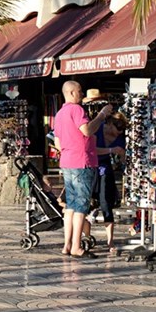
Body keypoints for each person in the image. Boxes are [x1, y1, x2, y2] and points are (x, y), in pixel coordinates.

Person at [54, 80, 112, 258]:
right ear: (71, 93)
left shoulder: (60, 113)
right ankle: (77, 247)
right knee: (81, 205)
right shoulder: (77, 110)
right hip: (81, 162)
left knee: (70, 205)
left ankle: (67, 244)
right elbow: (87, 130)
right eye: (79, 91)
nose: (81, 94)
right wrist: (101, 116)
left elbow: (57, 142)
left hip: (67, 161)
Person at [91, 112, 127, 254]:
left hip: (106, 170)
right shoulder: (97, 129)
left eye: (122, 129)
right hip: (91, 167)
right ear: (110, 123)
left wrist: (122, 157)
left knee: (106, 203)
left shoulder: (120, 137)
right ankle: (86, 236)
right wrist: (111, 150)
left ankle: (110, 240)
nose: (119, 131)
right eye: (118, 127)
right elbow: (91, 150)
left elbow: (123, 159)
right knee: (88, 204)